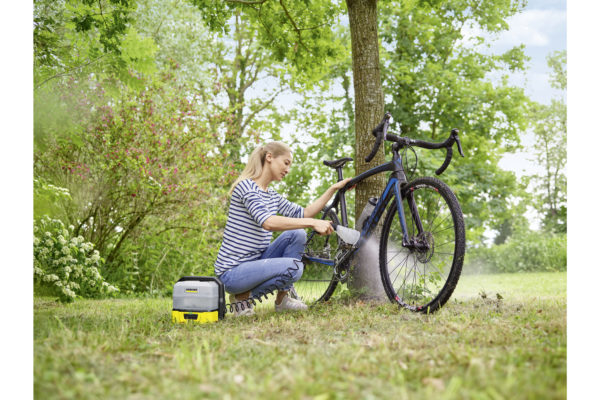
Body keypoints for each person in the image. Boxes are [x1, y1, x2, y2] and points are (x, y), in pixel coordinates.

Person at [214, 141, 350, 316]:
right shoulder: (246, 187)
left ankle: (282, 300)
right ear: (269, 157)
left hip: (256, 263)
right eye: (286, 163)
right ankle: (242, 296)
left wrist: (333, 189)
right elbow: (268, 222)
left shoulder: (271, 196)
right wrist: (313, 223)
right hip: (232, 272)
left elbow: (305, 213)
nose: (287, 169)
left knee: (297, 234)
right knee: (294, 267)